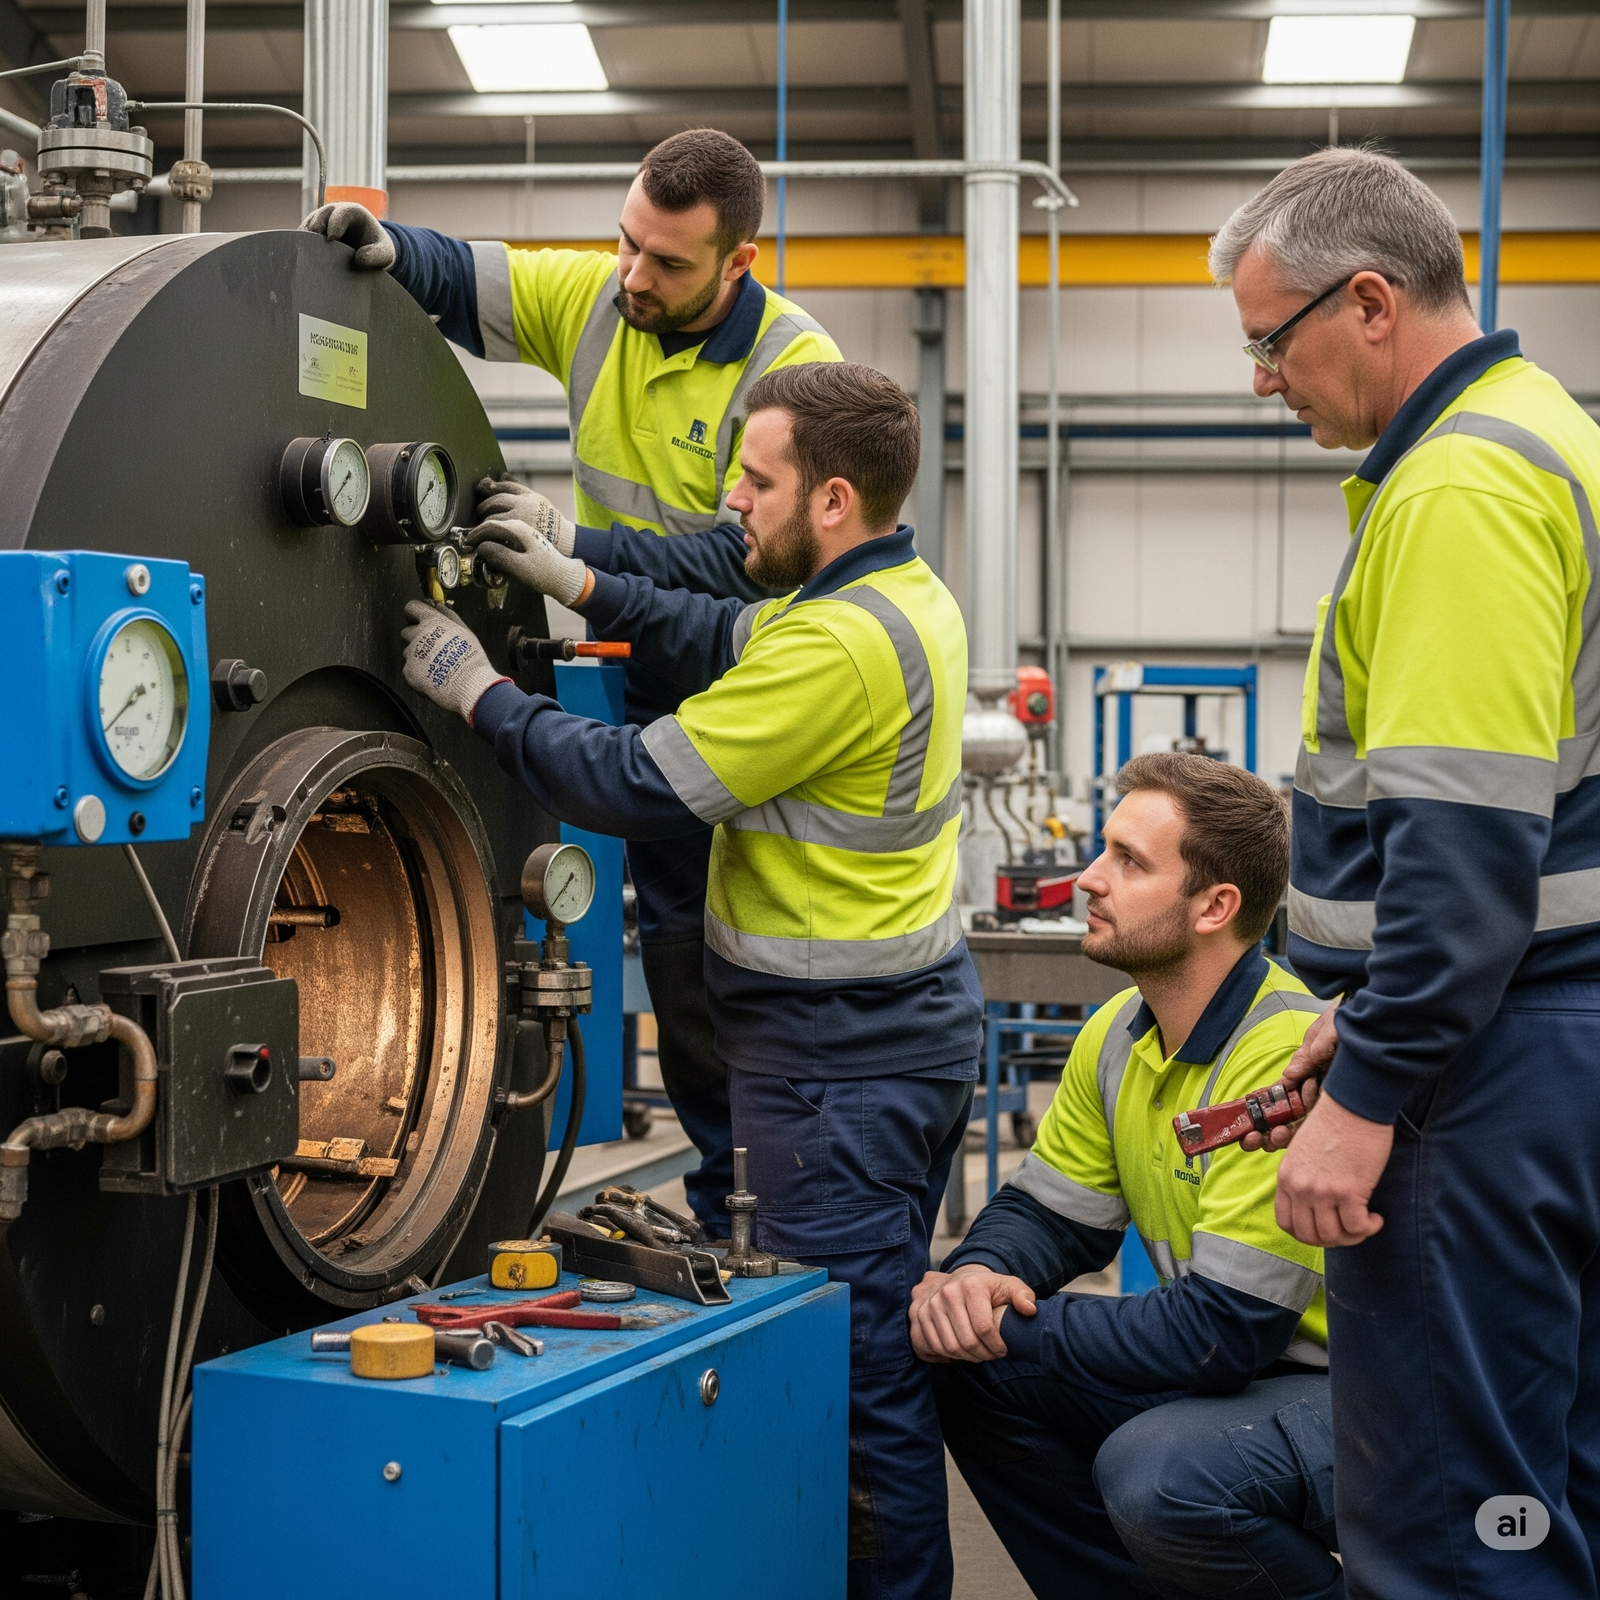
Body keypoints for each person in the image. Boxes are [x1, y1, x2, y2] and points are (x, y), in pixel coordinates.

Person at [395, 360, 982, 1600]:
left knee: (853, 1376)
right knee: (866, 1348)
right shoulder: (893, 591)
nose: (730, 502)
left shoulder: (835, 646)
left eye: (755, 481)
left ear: (830, 498)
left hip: (838, 1070)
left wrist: (481, 693)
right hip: (900, 1035)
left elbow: (632, 785)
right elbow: (720, 630)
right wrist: (583, 582)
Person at [302, 127, 842, 1237]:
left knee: (757, 987)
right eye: (626, 245)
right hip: (640, 684)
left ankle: (783, 1224)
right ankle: (723, 1208)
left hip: (747, 683)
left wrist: (581, 551)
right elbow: (463, 276)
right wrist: (382, 242)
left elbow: (744, 563)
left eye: (668, 263)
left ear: (739, 263)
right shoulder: (603, 299)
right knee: (686, 978)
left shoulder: (791, 372)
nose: (634, 277)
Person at [1209, 146, 1600, 1597]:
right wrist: (1356, 1023)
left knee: (1451, 1534)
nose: (1263, 378)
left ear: (1369, 302)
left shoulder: (1456, 491)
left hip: (1485, 1079)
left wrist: (1372, 1093)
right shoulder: (1545, 431)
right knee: (1543, 1508)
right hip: (1535, 1039)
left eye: (1271, 340)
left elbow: (1470, 857)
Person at [916, 753, 1336, 1600]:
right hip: (1249, 1369)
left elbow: (1218, 1334)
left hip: (1355, 1391)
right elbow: (1050, 1214)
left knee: (1163, 1475)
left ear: (1216, 906)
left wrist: (1000, 1323)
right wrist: (971, 1279)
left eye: (1128, 861)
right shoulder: (1118, 1031)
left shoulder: (1282, 1053)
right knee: (960, 1364)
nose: (1087, 878)